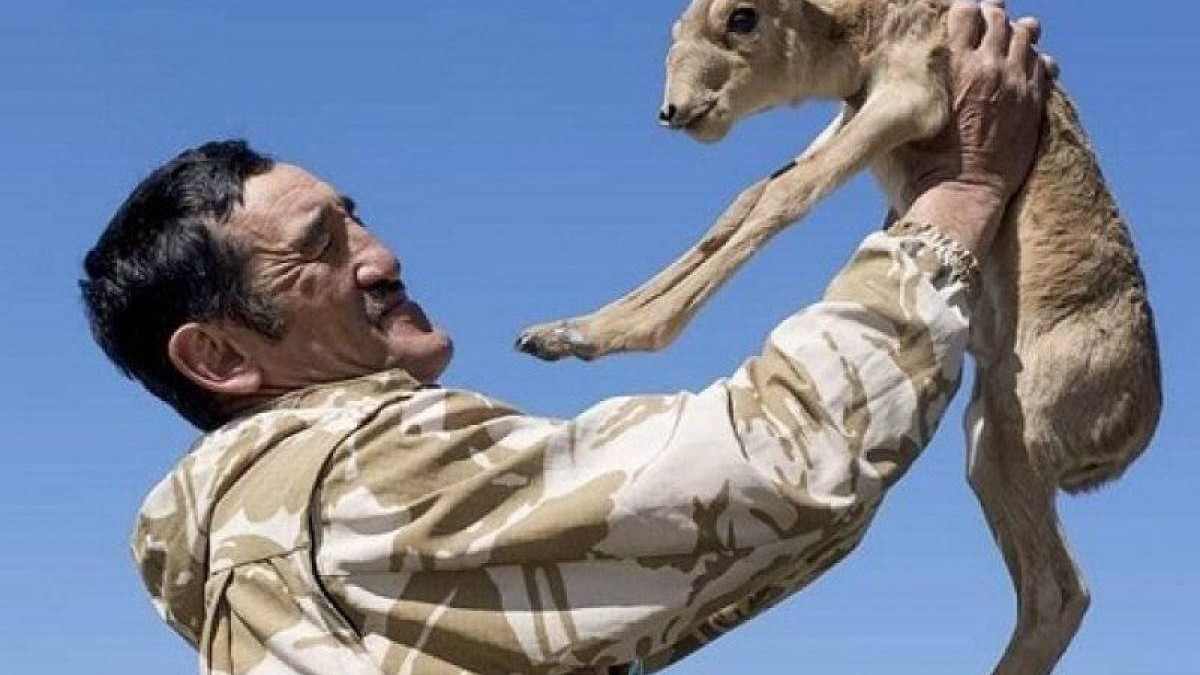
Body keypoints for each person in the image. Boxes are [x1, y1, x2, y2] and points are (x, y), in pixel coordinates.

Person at [81, 2, 1053, 673]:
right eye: (320, 247)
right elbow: (778, 465)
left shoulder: (252, 540)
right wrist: (957, 197)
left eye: (357, 218)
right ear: (220, 356)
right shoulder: (351, 478)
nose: (381, 256)